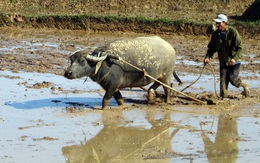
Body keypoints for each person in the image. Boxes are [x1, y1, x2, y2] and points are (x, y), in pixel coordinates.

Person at [204, 14, 250, 98]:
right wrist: (207, 57)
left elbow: (240, 48)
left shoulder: (233, 32)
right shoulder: (215, 34)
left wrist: (234, 59)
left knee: (233, 80)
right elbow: (211, 48)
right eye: (216, 23)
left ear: (224, 23)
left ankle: (244, 85)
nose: (217, 25)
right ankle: (223, 98)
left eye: (219, 23)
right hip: (223, 61)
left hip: (234, 61)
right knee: (223, 81)